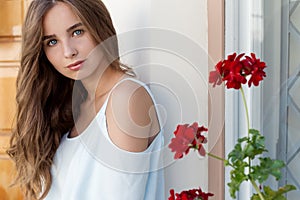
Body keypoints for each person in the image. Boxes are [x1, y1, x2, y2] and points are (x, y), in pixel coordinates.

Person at [7, 0, 164, 199]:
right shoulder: (72, 105)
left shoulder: (125, 98)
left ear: (98, 25)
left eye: (77, 32)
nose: (68, 52)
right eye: (52, 42)